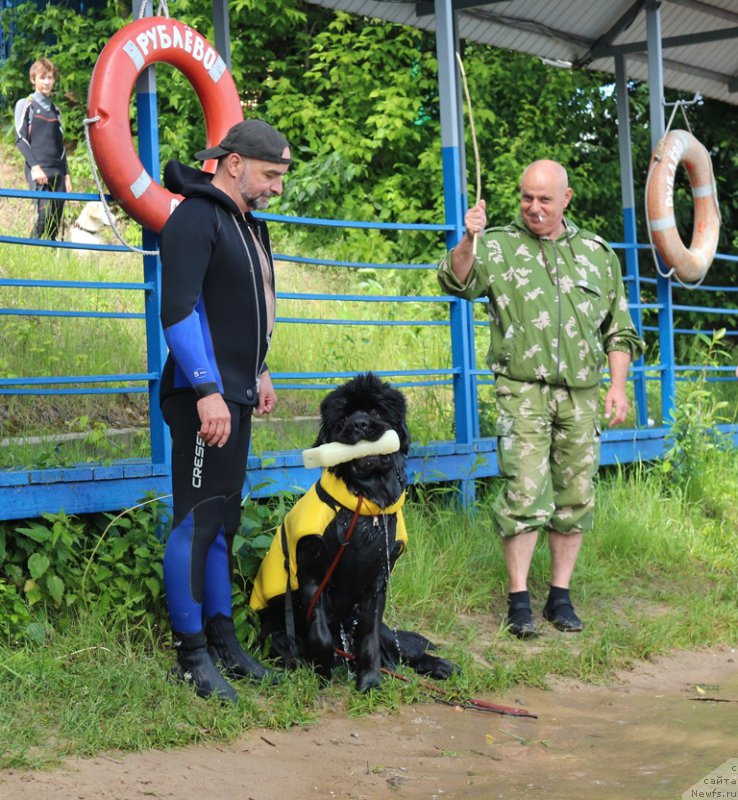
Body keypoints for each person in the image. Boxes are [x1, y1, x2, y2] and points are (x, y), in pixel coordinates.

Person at [437, 160, 644, 638]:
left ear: (566, 199)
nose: (533, 207)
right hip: (522, 389)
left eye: (544, 199)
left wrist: (617, 386)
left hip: (583, 394)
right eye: (526, 197)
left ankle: (560, 598)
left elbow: (619, 329)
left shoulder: (598, 252)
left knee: (575, 497)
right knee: (524, 492)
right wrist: (469, 238)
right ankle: (518, 602)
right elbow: (457, 281)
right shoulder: (499, 244)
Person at [159, 119, 290, 701]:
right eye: (270, 175)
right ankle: (191, 655)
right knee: (195, 520)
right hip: (199, 398)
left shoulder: (248, 225)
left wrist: (257, 368)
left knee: (222, 523)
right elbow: (181, 312)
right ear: (234, 163)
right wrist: (209, 388)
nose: (277, 188)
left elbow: (240, 308)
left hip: (234, 395)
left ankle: (223, 643)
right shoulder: (196, 216)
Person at [14, 57, 73, 240]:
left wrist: (67, 175)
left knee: (54, 224)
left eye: (50, 77)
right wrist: (35, 167)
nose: (47, 82)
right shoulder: (26, 104)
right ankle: (30, 257)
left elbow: (60, 146)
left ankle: (50, 263)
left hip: (58, 172)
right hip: (39, 169)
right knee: (42, 220)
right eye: (42, 77)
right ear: (33, 79)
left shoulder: (56, 111)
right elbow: (20, 138)